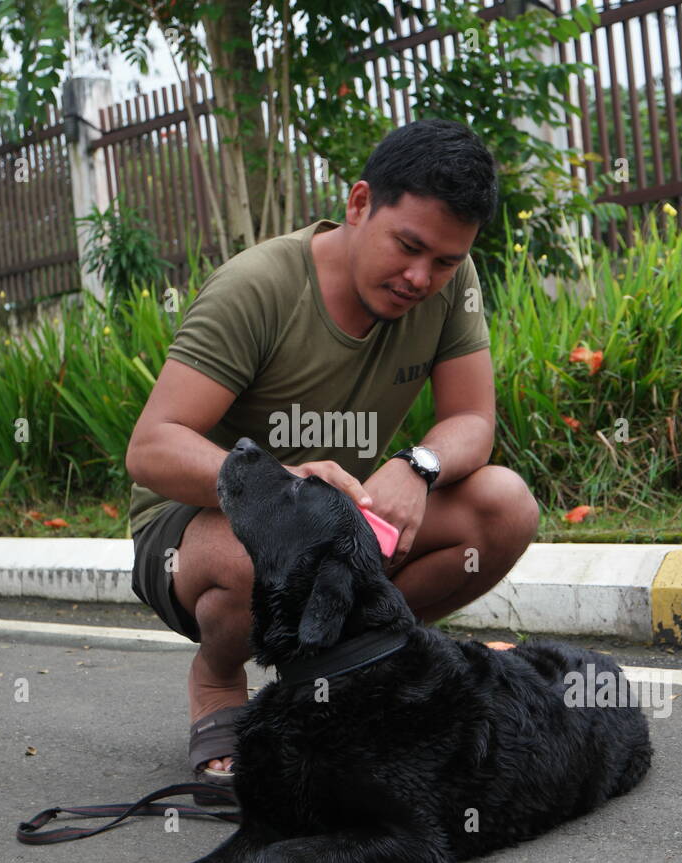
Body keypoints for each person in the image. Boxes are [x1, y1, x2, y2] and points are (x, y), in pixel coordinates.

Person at [125, 118, 540, 795]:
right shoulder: (257, 286)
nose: (420, 277)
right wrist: (283, 489)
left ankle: (350, 672)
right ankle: (218, 677)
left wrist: (417, 465)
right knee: (262, 553)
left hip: (349, 519)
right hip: (199, 529)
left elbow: (472, 419)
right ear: (357, 204)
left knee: (503, 506)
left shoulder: (451, 282)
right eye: (408, 246)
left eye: (443, 261)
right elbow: (152, 447)